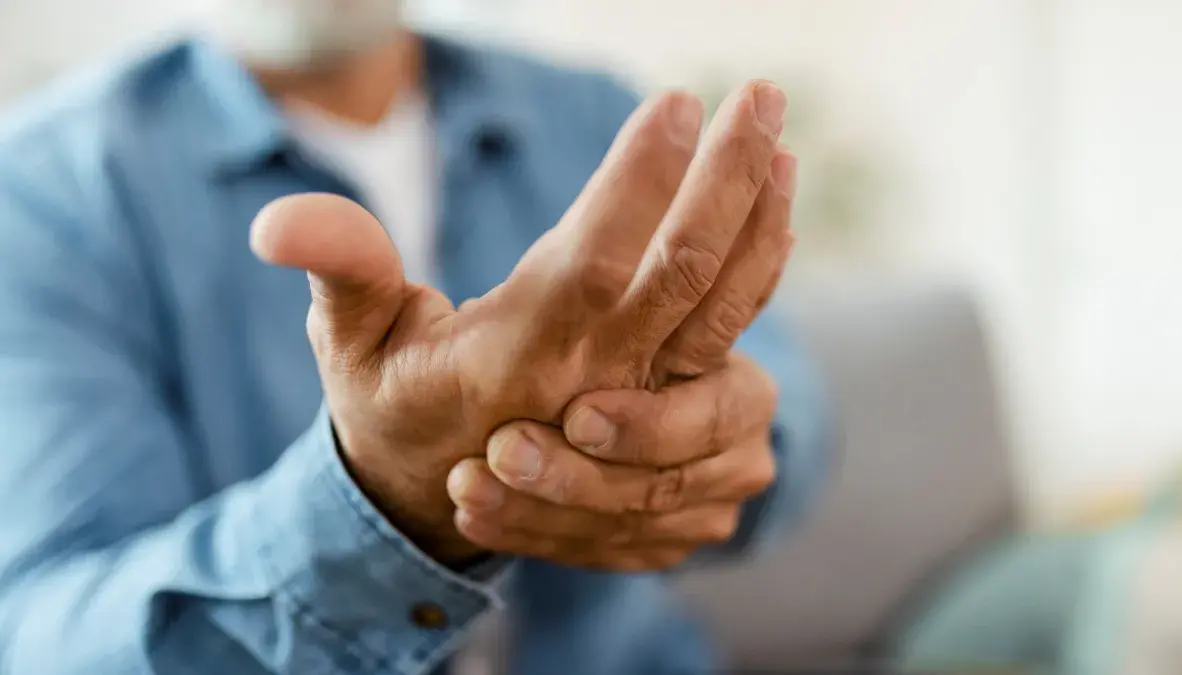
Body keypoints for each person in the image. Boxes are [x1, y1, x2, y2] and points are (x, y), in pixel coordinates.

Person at [0, 1, 829, 673]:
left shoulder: (596, 116)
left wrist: (716, 449)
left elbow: (789, 412)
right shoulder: (45, 191)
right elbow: (47, 636)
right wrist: (377, 506)